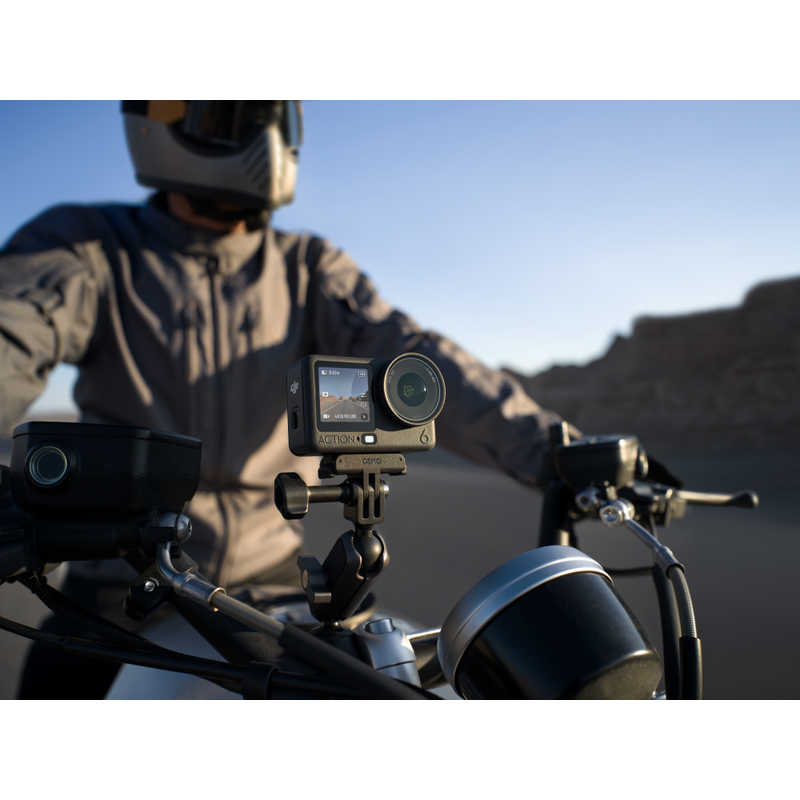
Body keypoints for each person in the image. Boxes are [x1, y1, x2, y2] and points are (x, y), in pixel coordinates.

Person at [1, 101, 572, 698]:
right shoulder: (87, 246)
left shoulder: (308, 268)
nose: (262, 139)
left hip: (276, 584)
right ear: (159, 120)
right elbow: (11, 330)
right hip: (123, 580)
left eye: (271, 117)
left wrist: (556, 450)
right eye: (230, 116)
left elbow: (416, 361)